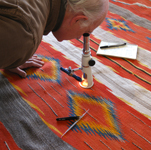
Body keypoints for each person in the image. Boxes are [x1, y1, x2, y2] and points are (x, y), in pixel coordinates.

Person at [0, 0, 109, 77]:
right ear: (78, 19)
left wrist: (8, 55)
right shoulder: (24, 34)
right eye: (86, 32)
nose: (79, 37)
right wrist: (15, 49)